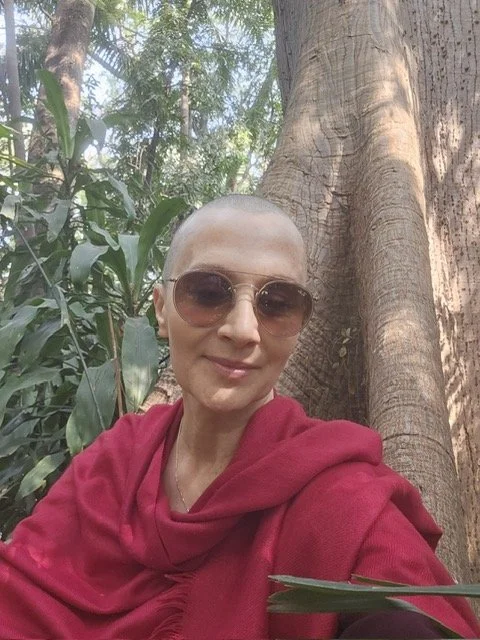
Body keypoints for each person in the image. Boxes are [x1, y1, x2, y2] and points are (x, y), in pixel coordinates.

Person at [0, 194, 478, 639]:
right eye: (208, 293)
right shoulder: (115, 462)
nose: (243, 330)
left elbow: (409, 616)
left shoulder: (341, 498)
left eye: (278, 304)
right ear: (161, 311)